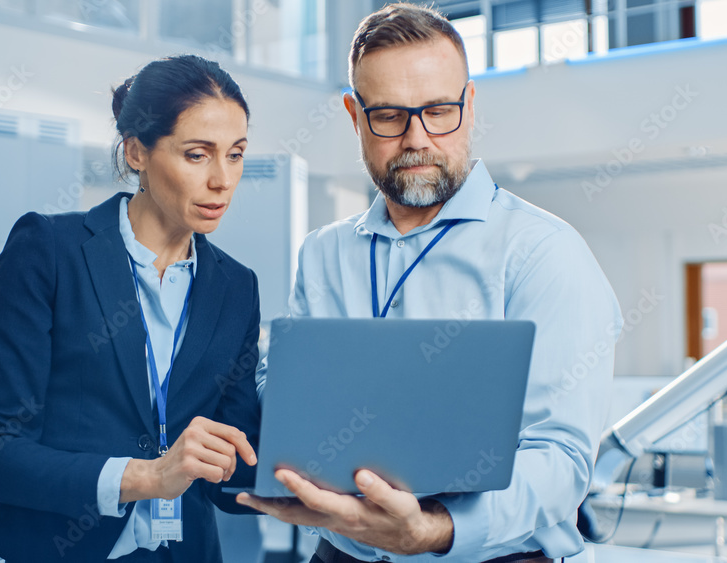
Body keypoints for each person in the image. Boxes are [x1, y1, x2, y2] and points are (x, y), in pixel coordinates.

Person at [237, 4, 623, 563]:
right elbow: (292, 393)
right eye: (389, 116)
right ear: (354, 115)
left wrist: (433, 530)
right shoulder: (324, 251)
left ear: (469, 105)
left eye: (439, 111)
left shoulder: (543, 253)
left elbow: (560, 460)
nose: (417, 138)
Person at [0, 55, 261, 563]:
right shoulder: (49, 250)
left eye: (235, 155)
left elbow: (231, 469)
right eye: (197, 155)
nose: (222, 180)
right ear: (137, 152)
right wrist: (146, 477)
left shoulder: (236, 286)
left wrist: (326, 464)